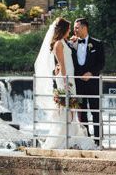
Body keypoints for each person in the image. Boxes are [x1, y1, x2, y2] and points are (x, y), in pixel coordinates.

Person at [33, 17, 96, 150]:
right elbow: (62, 65)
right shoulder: (58, 45)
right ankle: (63, 138)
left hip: (69, 78)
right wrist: (66, 82)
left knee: (71, 108)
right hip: (65, 79)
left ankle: (71, 136)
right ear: (63, 29)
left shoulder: (64, 42)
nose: (71, 31)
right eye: (69, 28)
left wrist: (72, 42)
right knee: (67, 108)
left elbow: (68, 55)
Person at [70, 18, 105, 146]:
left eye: (77, 27)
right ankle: (86, 141)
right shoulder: (71, 44)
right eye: (74, 28)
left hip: (93, 84)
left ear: (84, 28)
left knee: (96, 112)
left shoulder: (97, 44)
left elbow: (101, 63)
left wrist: (91, 73)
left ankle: (98, 141)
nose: (74, 30)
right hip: (78, 84)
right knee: (81, 113)